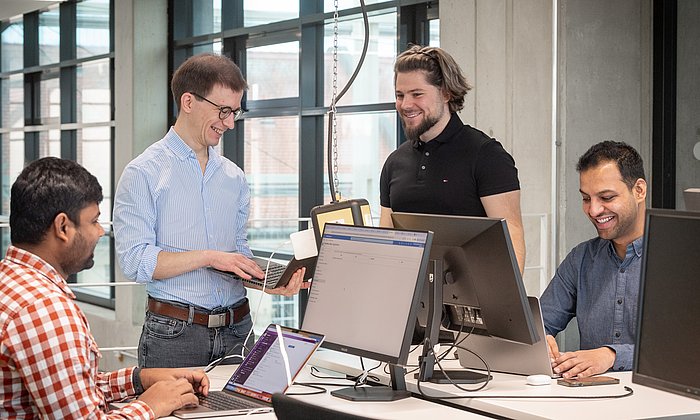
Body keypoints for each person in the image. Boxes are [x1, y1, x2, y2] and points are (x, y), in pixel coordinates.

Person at [113, 53, 309, 369]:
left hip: (239, 329)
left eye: (235, 112)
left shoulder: (234, 177)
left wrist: (268, 282)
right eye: (223, 111)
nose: (230, 123)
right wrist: (209, 256)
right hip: (175, 335)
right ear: (188, 102)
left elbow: (236, 251)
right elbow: (135, 261)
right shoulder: (143, 173)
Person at [0, 157, 210, 418]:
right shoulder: (43, 309)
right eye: (94, 221)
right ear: (63, 227)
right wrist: (151, 405)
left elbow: (67, 389)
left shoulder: (11, 282)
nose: (100, 232)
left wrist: (141, 379)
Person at [379, 45, 526, 273]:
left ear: (446, 93)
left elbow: (511, 238)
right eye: (400, 95)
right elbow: (387, 240)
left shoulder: (487, 155)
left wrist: (504, 305)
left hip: (471, 302)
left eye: (417, 94)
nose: (406, 104)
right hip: (408, 299)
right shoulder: (394, 162)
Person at [541, 141, 647, 378]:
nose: (593, 210)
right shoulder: (581, 259)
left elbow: (684, 348)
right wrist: (541, 339)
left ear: (639, 190)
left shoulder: (679, 262)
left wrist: (611, 356)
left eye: (606, 197)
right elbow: (539, 322)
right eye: (586, 199)